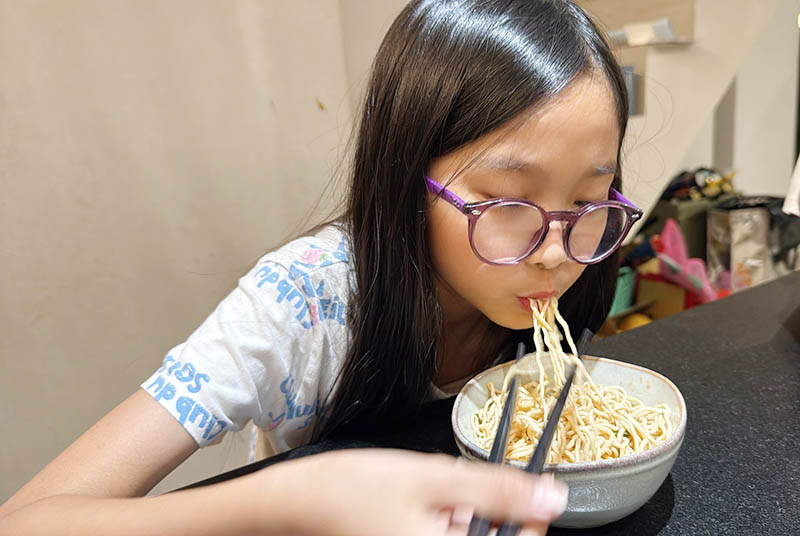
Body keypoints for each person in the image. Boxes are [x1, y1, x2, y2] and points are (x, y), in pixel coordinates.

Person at [0, 0, 639, 534]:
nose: (556, 250)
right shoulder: (300, 303)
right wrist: (292, 496)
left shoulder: (580, 260)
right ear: (406, 180)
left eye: (587, 200)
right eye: (507, 203)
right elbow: (27, 521)